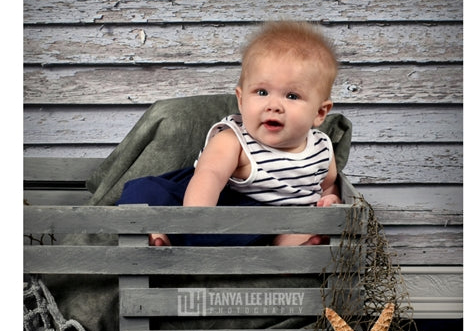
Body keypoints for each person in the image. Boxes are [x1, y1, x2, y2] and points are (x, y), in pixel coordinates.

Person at [117, 20, 342, 246]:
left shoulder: (321, 147)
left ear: (320, 113)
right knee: (146, 191)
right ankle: (160, 233)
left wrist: (330, 199)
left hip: (275, 223)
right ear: (242, 100)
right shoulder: (233, 139)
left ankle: (291, 250)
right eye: (262, 92)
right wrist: (196, 220)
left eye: (292, 96)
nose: (273, 105)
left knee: (295, 227)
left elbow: (326, 185)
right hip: (219, 206)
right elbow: (209, 176)